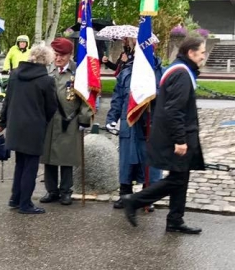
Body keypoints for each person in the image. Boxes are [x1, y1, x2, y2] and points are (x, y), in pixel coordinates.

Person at [122, 37, 206, 234]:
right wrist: (180, 140)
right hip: (176, 137)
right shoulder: (182, 74)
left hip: (177, 135)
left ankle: (175, 220)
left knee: (181, 177)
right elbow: (174, 110)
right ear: (191, 53)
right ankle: (133, 201)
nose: (204, 55)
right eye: (201, 52)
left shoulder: (179, 69)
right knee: (176, 179)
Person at [0, 44, 57, 214]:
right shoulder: (46, 80)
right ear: (46, 60)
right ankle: (25, 204)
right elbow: (51, 107)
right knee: (30, 167)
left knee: (20, 164)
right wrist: (42, 120)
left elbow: (7, 101)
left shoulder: (15, 74)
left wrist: (2, 123)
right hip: (34, 128)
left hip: (16, 126)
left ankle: (15, 198)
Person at [39, 38, 92, 206]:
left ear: (70, 55)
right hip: (49, 120)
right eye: (55, 54)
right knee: (48, 156)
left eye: (62, 55)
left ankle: (66, 191)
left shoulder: (79, 72)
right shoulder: (47, 69)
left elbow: (86, 98)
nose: (58, 58)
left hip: (70, 120)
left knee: (67, 157)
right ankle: (51, 190)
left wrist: (84, 118)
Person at [106, 52, 163, 209]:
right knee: (126, 161)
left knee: (148, 162)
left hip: (150, 124)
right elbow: (117, 98)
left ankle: (146, 197)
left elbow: (166, 97)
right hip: (129, 123)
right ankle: (125, 194)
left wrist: (152, 94)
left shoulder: (161, 72)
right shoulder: (126, 73)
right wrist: (111, 119)